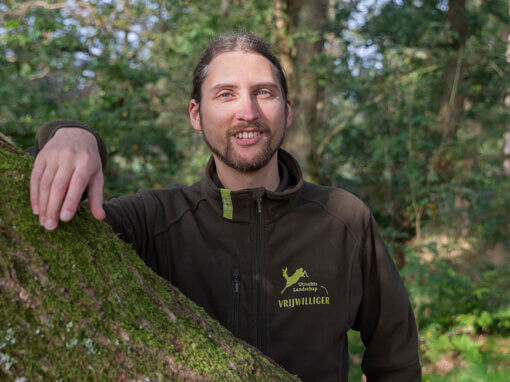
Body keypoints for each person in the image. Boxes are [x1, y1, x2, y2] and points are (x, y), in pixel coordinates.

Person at [29, 33, 421, 381]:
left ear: (288, 109)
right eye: (226, 94)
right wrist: (73, 135)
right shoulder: (154, 220)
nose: (247, 112)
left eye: (263, 93)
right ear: (196, 115)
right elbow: (61, 218)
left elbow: (396, 362)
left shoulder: (344, 220)